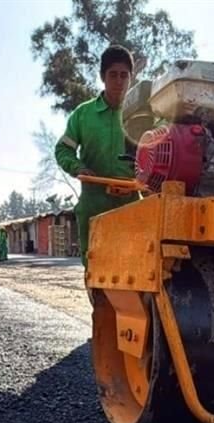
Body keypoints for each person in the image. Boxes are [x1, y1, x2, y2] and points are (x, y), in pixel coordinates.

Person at [54, 44, 139, 270]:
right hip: (94, 203)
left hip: (130, 204)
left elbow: (159, 149)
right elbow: (63, 150)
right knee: (96, 266)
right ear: (102, 77)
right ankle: (99, 302)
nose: (119, 81)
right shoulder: (83, 115)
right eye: (113, 75)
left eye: (124, 75)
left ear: (131, 78)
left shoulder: (139, 115)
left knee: (133, 266)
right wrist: (77, 167)